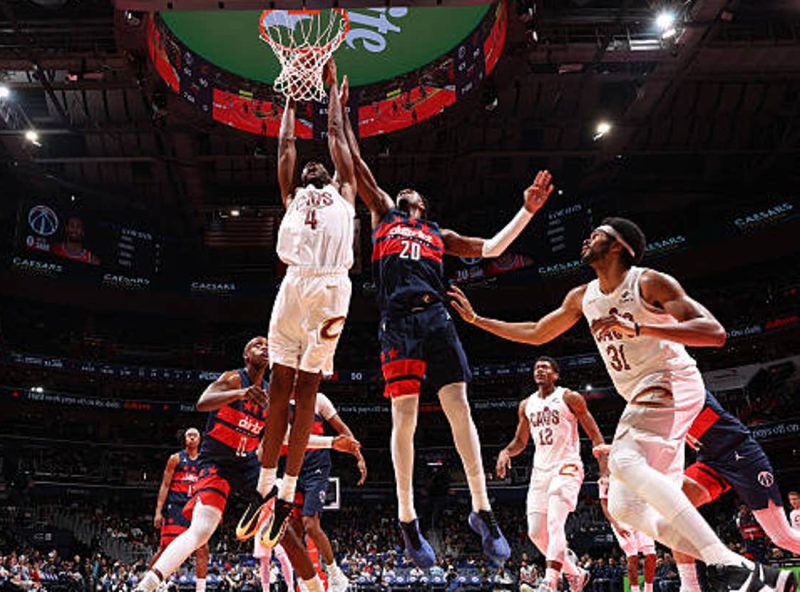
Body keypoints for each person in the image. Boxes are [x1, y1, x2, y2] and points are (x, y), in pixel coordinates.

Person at [448, 216, 796, 592]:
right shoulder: (582, 296)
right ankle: (749, 571)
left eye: (597, 235)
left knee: (624, 460)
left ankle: (723, 568)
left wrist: (641, 327)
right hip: (644, 396)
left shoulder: (649, 282)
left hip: (671, 380)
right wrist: (477, 320)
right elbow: (536, 332)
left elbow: (715, 333)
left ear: (618, 246)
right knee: (624, 506)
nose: (586, 239)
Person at [338, 74, 554, 566]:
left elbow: (492, 249)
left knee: (460, 409)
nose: (405, 190)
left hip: (436, 318)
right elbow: (353, 162)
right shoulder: (384, 215)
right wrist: (343, 111)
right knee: (405, 418)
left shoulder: (439, 233)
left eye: (413, 192)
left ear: (424, 206)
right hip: (398, 321)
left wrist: (526, 211)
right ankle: (407, 519)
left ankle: (483, 510)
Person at [242, 58, 358, 551]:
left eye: (319, 166)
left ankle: (289, 493)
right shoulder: (291, 195)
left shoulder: (346, 192)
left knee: (308, 390)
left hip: (330, 288)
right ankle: (265, 489)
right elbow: (286, 144)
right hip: (292, 287)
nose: (312, 166)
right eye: (308, 168)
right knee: (279, 391)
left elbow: (335, 135)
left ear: (329, 175)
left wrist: (331, 95)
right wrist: (290, 96)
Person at [136, 337, 360, 592]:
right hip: (217, 463)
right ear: (246, 355)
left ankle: (316, 588)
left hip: (247, 466)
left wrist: (331, 442)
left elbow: (286, 436)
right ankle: (147, 585)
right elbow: (202, 402)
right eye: (257, 345)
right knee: (202, 530)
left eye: (267, 346)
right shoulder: (234, 379)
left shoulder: (271, 396)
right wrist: (241, 393)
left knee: (283, 530)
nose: (264, 348)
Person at [673, 391, 800, 591]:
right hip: (711, 460)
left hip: (742, 455)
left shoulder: (684, 384)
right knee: (673, 503)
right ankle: (690, 586)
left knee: (782, 537)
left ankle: (760, 575)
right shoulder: (649, 398)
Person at [495, 357, 603, 592]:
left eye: (545, 367)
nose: (540, 370)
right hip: (540, 471)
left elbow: (595, 434)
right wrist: (506, 452)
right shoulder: (526, 405)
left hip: (567, 466)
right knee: (535, 533)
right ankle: (575, 574)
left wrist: (603, 467)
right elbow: (520, 441)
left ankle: (550, 582)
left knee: (555, 523)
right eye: (537, 367)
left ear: (556, 375)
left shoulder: (569, 397)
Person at [291, 393, 367, 592]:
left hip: (316, 468)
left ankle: (335, 574)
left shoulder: (318, 399)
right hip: (292, 467)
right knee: (293, 529)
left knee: (310, 524)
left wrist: (358, 456)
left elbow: (342, 429)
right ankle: (304, 578)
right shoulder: (279, 402)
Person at [151, 428, 208, 592]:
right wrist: (158, 511)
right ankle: (148, 584)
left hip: (195, 509)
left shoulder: (204, 461)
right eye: (189, 435)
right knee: (165, 549)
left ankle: (201, 589)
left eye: (195, 435)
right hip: (176, 507)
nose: (192, 438)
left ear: (200, 440)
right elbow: (165, 485)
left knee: (203, 549)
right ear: (184, 439)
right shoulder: (175, 459)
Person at [599, 475, 657, 592]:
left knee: (651, 555)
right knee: (632, 556)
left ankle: (648, 589)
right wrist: (616, 525)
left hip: (640, 517)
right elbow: (604, 505)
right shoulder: (605, 480)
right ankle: (635, 590)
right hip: (621, 520)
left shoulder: (636, 473)